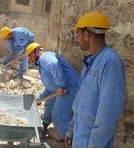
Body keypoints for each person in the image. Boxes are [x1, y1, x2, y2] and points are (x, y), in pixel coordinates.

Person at [65, 11, 125, 148]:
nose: (77, 39)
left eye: (78, 34)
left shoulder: (110, 63)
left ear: (87, 35)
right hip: (79, 139)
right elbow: (80, 102)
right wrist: (72, 129)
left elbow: (108, 116)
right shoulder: (90, 62)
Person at [26, 43, 79, 141]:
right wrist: (40, 98)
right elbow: (50, 87)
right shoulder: (42, 64)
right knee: (49, 105)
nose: (29, 59)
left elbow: (54, 64)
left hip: (68, 88)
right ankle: (44, 126)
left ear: (36, 51)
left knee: (58, 115)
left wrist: (61, 85)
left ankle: (67, 139)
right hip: (59, 89)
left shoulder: (45, 57)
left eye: (30, 55)